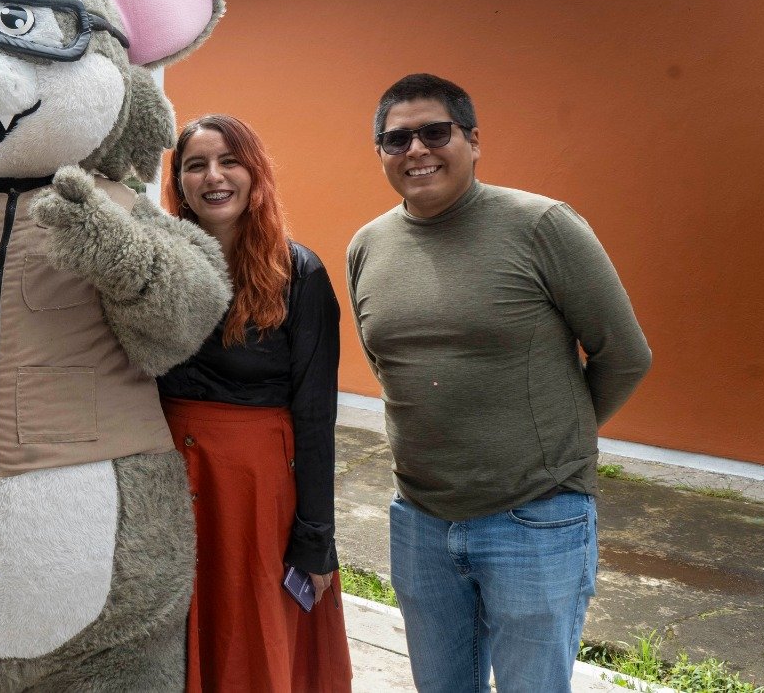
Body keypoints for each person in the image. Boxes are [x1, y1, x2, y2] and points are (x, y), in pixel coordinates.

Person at [346, 73, 653, 693]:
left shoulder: (542, 226)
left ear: (473, 140)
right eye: (397, 138)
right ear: (380, 152)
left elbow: (624, 355)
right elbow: (390, 365)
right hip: (421, 522)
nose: (417, 149)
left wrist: (553, 442)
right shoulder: (367, 246)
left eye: (436, 132)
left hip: (535, 519)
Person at [158, 114, 353, 693]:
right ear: (180, 182)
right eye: (196, 164)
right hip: (163, 479)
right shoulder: (160, 267)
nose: (213, 177)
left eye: (229, 161)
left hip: (254, 490)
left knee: (250, 630)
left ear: (255, 174)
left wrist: (316, 537)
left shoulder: (299, 272)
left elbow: (316, 415)